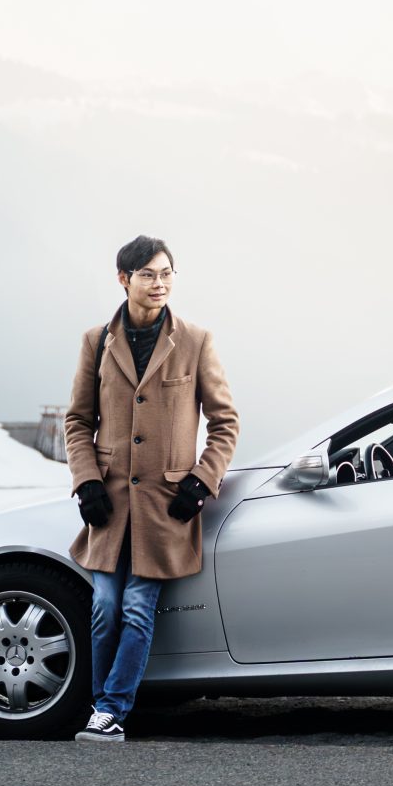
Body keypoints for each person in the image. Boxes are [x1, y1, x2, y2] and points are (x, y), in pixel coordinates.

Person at [61, 234, 240, 741]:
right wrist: (86, 480)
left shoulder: (196, 341)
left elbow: (225, 422)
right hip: (109, 504)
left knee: (138, 610)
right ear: (124, 280)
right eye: (148, 275)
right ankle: (104, 706)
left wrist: (202, 482)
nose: (159, 283)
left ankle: (110, 711)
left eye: (166, 274)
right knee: (103, 610)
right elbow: (77, 421)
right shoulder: (96, 342)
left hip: (167, 506)